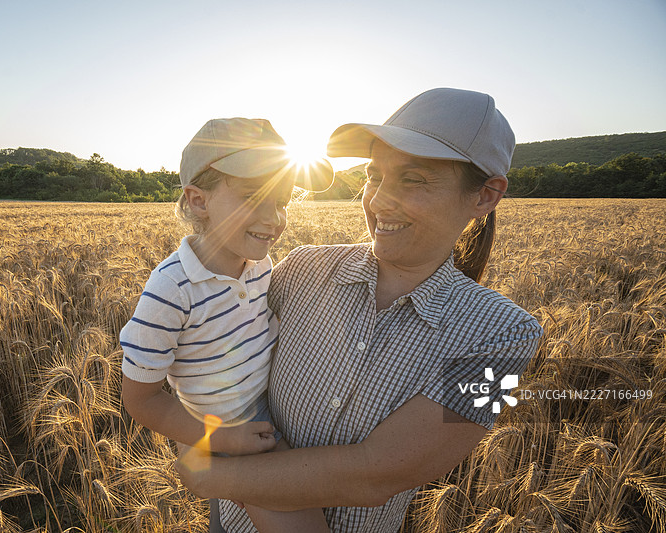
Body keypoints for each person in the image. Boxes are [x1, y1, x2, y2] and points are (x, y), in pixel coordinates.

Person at [177, 88, 544, 532]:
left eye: (414, 179)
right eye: (375, 175)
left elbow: (378, 474)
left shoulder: (508, 338)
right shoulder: (301, 268)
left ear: (486, 195)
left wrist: (210, 475)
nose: (378, 200)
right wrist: (195, 429)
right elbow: (209, 351)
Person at [120, 117, 334, 532]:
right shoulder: (172, 289)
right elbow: (140, 399)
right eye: (254, 197)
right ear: (199, 201)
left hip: (268, 415)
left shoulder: (258, 265)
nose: (274, 218)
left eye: (283, 200)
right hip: (227, 432)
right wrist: (219, 441)